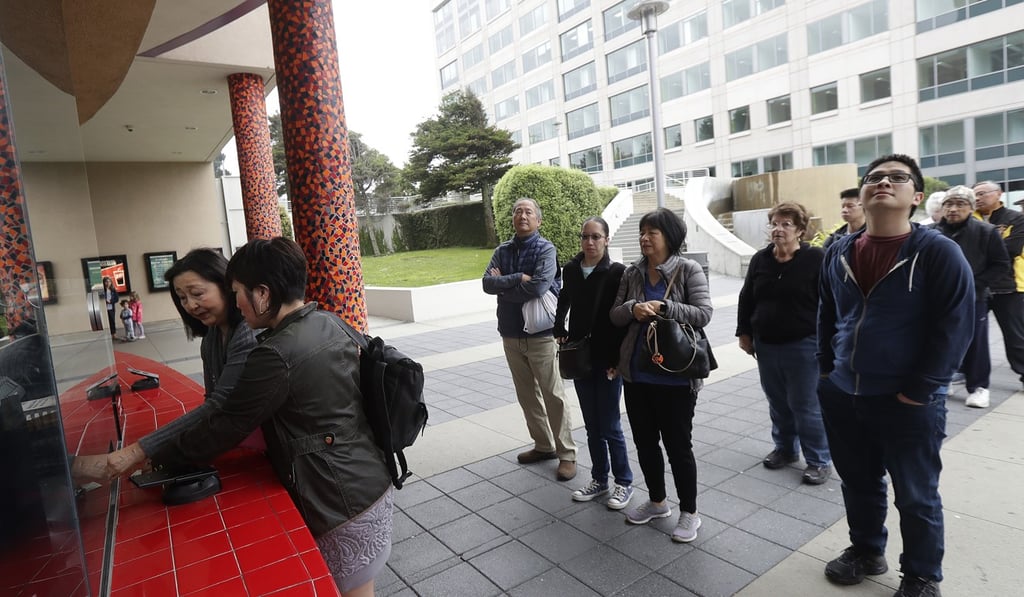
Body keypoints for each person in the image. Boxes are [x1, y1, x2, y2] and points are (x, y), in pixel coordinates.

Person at [98, 238, 393, 596]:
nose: (236, 301)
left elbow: (225, 424)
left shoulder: (275, 352)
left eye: (237, 291)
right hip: (367, 479)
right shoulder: (328, 322)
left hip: (338, 496)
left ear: (263, 294)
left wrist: (156, 456)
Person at [818, 154, 973, 597]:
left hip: (908, 401)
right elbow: (828, 315)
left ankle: (922, 574)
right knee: (859, 482)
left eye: (897, 178)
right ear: (863, 194)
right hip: (844, 394)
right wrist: (825, 372)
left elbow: (955, 326)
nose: (883, 182)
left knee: (916, 494)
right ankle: (866, 551)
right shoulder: (839, 251)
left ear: (916, 197)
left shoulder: (937, 252)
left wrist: (921, 390)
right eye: (874, 178)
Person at [609, 208, 712, 544]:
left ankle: (690, 513)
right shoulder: (632, 272)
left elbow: (703, 313)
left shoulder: (687, 269)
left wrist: (666, 308)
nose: (645, 238)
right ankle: (657, 502)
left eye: (652, 232)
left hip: (677, 377)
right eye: (642, 231)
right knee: (645, 442)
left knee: (679, 446)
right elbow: (615, 314)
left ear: (670, 236)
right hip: (637, 375)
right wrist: (632, 309)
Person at [736, 202, 831, 485]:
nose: (778, 229)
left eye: (786, 224)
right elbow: (747, 297)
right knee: (778, 402)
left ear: (800, 230)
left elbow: (830, 301)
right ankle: (786, 449)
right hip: (766, 344)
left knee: (805, 404)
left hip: (803, 344)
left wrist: (827, 340)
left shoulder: (816, 258)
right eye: (774, 223)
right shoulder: (761, 259)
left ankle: (818, 459)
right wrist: (744, 333)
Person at [483, 197, 577, 481]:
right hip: (510, 333)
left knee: (553, 395)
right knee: (526, 395)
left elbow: (538, 287)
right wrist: (518, 277)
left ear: (538, 220)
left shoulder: (546, 249)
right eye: (518, 211)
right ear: (512, 218)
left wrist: (506, 284)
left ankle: (567, 454)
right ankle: (544, 445)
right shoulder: (502, 250)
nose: (522, 216)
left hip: (541, 335)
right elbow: (487, 283)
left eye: (528, 212)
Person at [554, 217, 632, 509]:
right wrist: (558, 326)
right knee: (591, 425)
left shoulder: (617, 273)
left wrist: (618, 360)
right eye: (585, 236)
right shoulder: (572, 269)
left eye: (596, 237)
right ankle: (600, 479)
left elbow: (623, 321)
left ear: (607, 240)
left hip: (608, 359)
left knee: (610, 424)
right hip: (580, 356)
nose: (589, 242)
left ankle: (623, 482)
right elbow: (564, 298)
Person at [933, 186, 1009, 409]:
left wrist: (974, 284)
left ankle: (979, 387)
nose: (953, 209)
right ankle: (943, 379)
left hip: (973, 297)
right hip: (937, 299)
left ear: (971, 208)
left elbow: (1001, 265)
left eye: (960, 204)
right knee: (939, 340)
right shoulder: (932, 231)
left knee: (975, 342)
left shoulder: (986, 231)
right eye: (948, 204)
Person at [972, 180, 1024, 390]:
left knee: (1016, 336)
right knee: (972, 333)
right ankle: (965, 373)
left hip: (1007, 286)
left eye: (983, 193)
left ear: (999, 194)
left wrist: (977, 250)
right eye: (975, 194)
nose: (978, 198)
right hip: (976, 285)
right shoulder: (969, 218)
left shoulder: (1015, 218)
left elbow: (1011, 248)